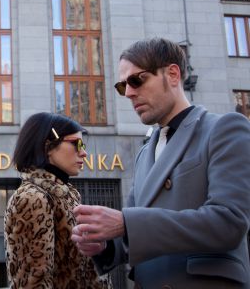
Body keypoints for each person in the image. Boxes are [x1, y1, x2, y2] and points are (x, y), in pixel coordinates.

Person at [71, 37, 250, 288]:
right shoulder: (145, 152)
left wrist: (125, 223)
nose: (129, 93)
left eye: (137, 80)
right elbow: (134, 234)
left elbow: (228, 222)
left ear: (173, 74)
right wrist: (103, 244)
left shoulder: (224, 128)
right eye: (122, 86)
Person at [4, 112, 112, 289]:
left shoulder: (65, 194)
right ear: (47, 146)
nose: (84, 153)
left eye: (83, 145)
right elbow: (34, 282)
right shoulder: (32, 198)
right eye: (76, 144)